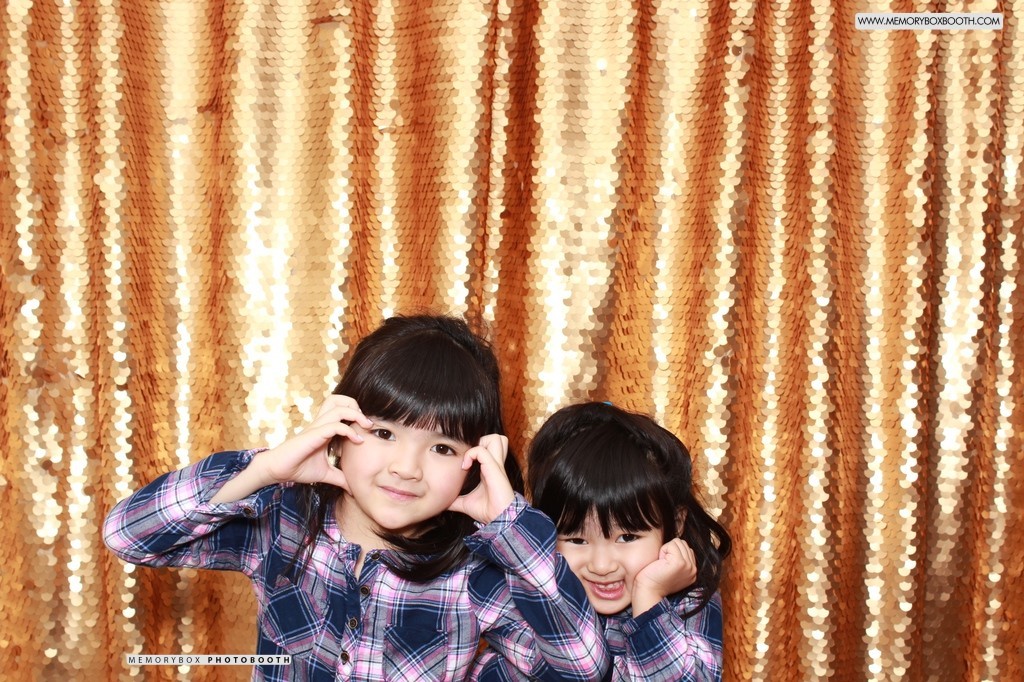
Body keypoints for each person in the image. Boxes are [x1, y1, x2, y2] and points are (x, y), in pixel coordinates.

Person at [104, 315, 608, 681]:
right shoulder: (286, 519)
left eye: (441, 448)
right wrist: (264, 469)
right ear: (340, 430)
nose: (406, 468)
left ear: (474, 462)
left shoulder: (474, 570)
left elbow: (583, 668)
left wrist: (513, 528)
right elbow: (129, 535)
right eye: (384, 433)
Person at [473, 402, 731, 681]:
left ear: (676, 524)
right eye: (577, 539)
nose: (602, 565)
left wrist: (649, 599)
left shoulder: (691, 599)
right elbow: (574, 668)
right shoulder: (521, 587)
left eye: (627, 537)